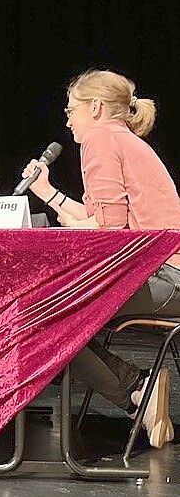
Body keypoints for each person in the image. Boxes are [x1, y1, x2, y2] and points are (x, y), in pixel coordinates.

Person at [23, 69, 180, 448]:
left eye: (71, 109)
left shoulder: (100, 139)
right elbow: (102, 218)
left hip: (166, 278)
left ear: (95, 107)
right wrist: (47, 193)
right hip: (164, 275)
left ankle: (136, 389)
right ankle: (139, 390)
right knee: (47, 311)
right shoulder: (118, 139)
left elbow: (108, 228)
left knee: (38, 317)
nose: (68, 118)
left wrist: (67, 231)